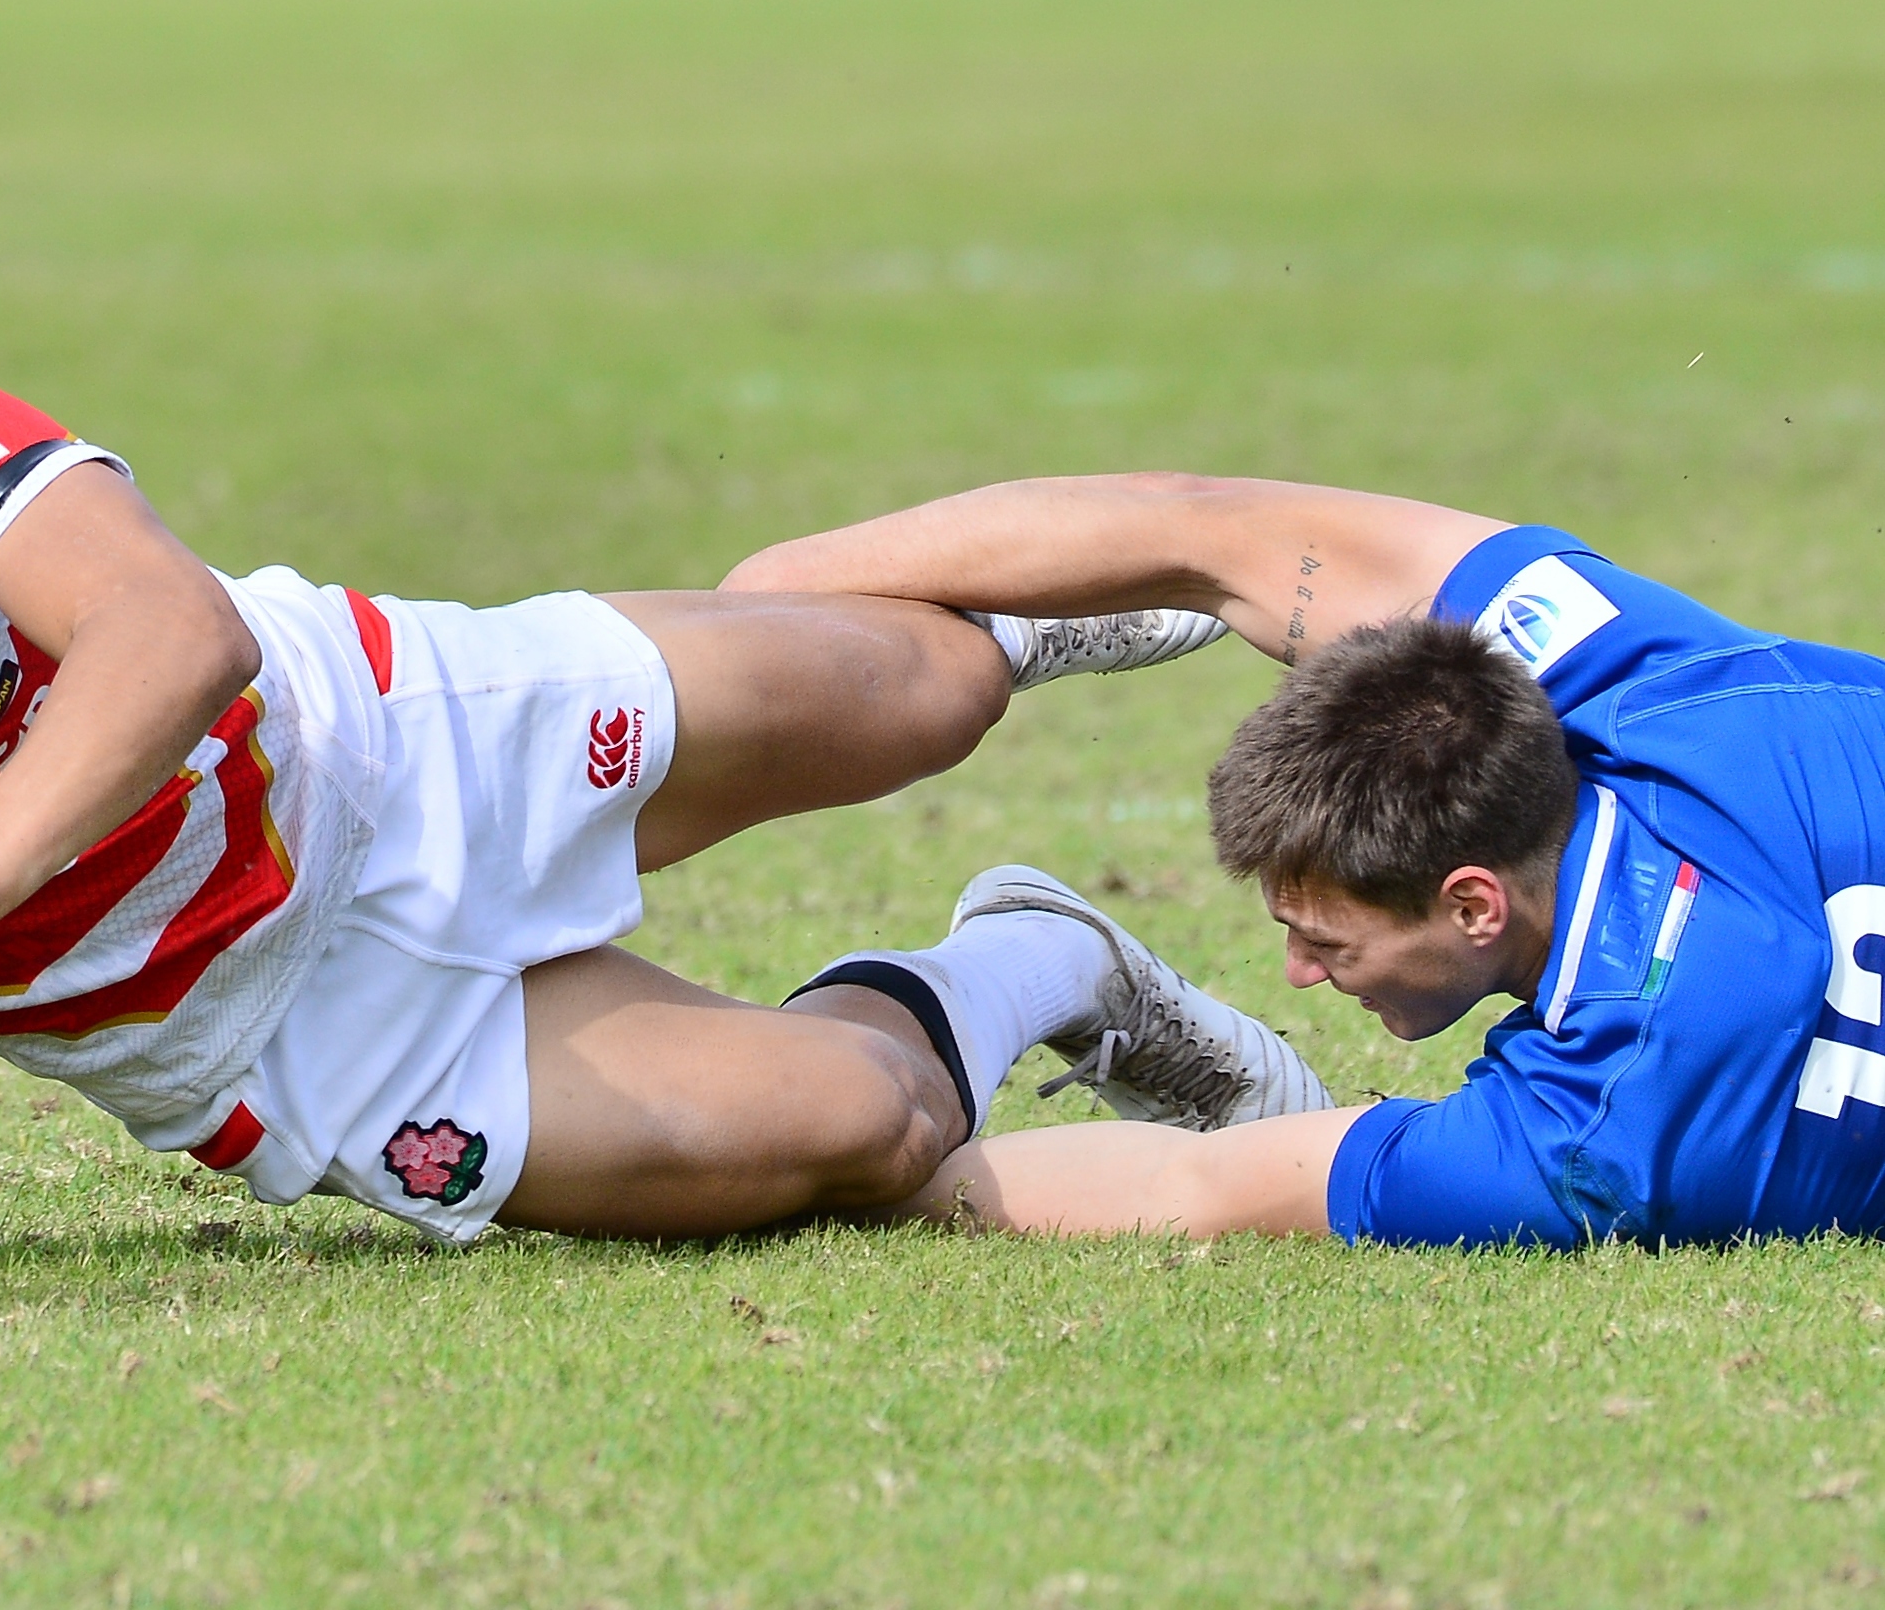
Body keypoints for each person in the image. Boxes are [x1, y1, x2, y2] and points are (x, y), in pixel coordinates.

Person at [0, 226, 1332, 1245]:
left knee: (923, 686)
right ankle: (1052, 956)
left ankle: (969, 594)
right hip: (252, 1035)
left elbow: (167, 635)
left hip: (363, 736)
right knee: (850, 1132)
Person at [725, 472, 1885, 1248]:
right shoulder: (1676, 691)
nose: (1294, 973)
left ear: (1471, 903)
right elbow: (1205, 524)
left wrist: (822, 1177)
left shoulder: (1594, 1134)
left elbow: (1195, 1186)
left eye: (1324, 938)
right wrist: (757, 603)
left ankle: (1023, 969)